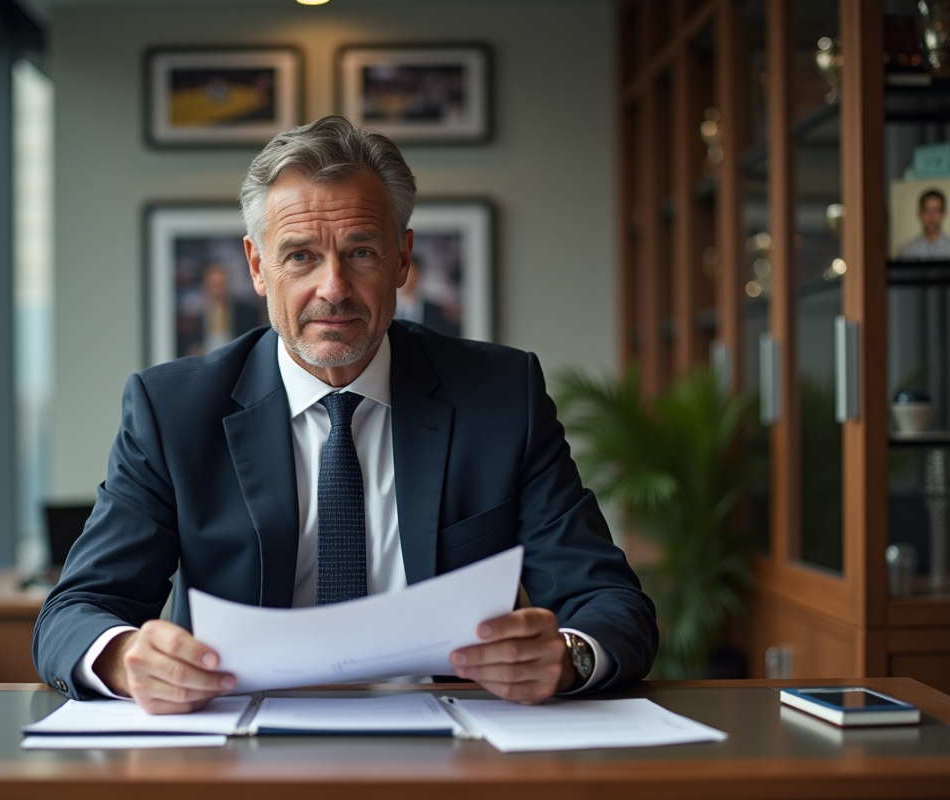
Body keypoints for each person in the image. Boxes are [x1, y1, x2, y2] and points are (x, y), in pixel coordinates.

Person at [33, 115, 657, 714]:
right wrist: (123, 657)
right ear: (257, 266)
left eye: (360, 252)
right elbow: (76, 610)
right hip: (234, 745)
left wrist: (569, 656)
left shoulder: (500, 396)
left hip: (452, 743)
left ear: (402, 259)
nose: (333, 288)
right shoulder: (172, 412)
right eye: (301, 255)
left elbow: (607, 601)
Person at [897, 189, 950, 260]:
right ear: (920, 213)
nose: (932, 216)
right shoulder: (906, 251)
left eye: (936, 211)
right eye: (928, 210)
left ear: (943, 214)